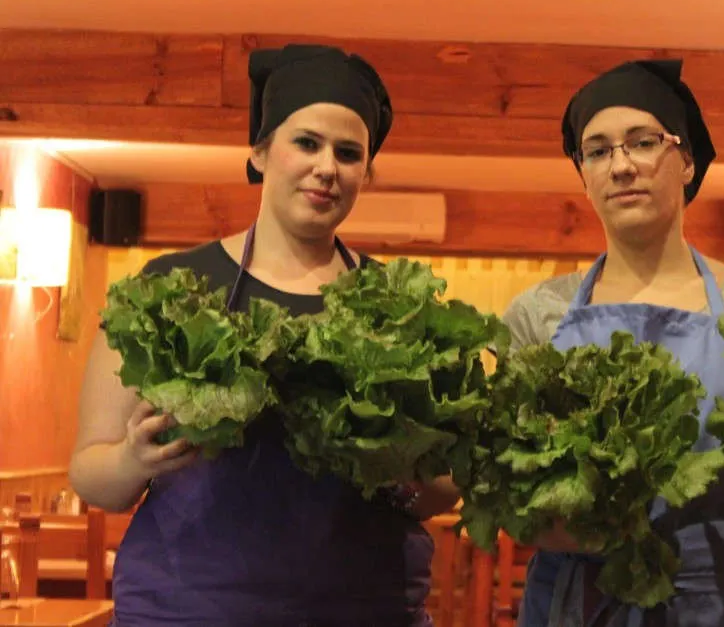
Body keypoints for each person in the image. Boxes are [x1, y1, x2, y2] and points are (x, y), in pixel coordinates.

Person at [69, 44, 460, 627]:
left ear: (366, 173)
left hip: (363, 608)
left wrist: (398, 470)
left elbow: (444, 489)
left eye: (348, 153)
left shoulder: (400, 305)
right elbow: (91, 474)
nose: (327, 167)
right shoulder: (169, 288)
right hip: (191, 610)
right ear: (260, 151)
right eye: (307, 142)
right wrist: (133, 458)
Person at [502, 60, 724, 627]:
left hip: (705, 605)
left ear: (687, 161)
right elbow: (508, 489)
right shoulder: (539, 315)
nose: (622, 165)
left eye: (643, 142)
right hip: (572, 602)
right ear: (583, 174)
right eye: (598, 150)